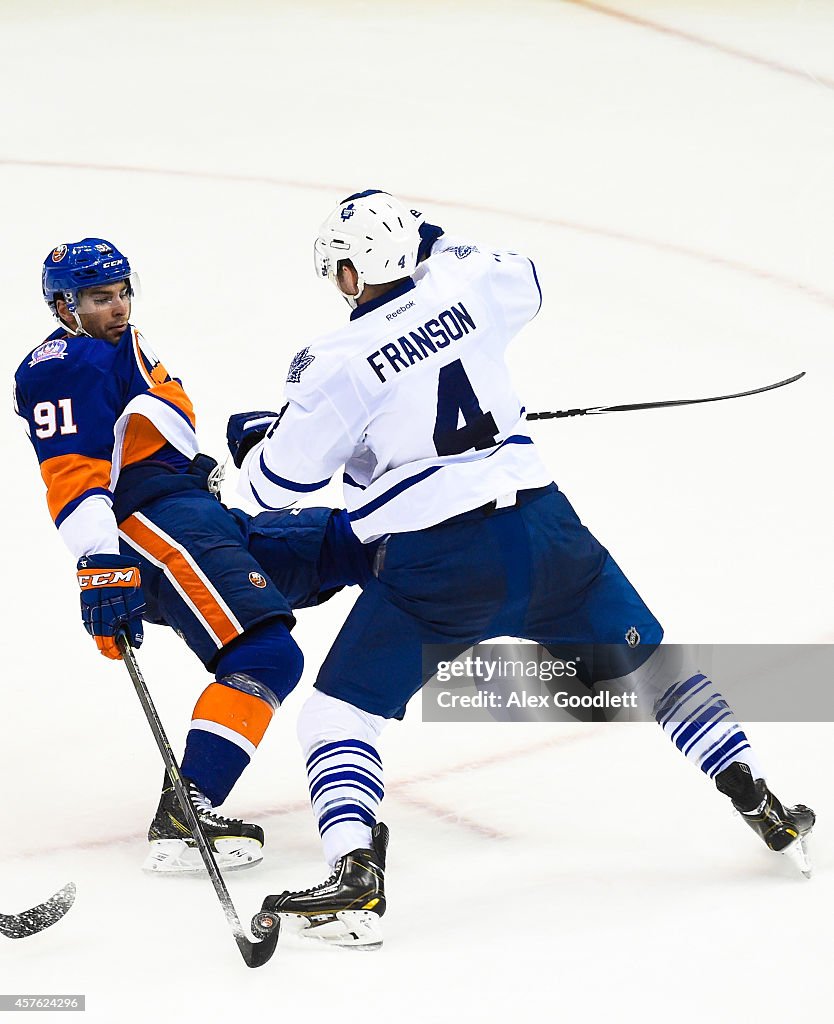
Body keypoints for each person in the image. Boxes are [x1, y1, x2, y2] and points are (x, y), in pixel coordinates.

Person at [230, 191, 815, 948]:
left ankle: (354, 874)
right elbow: (524, 273)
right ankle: (756, 795)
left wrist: (253, 445)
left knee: (338, 714)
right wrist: (427, 241)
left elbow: (278, 488)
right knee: (654, 668)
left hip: (438, 566)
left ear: (347, 275)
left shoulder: (333, 364)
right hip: (547, 535)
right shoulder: (468, 288)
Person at [13, 238, 372, 875]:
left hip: (196, 514)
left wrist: (209, 456)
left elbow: (140, 432)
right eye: (101, 297)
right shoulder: (64, 365)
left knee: (354, 542)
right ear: (63, 306)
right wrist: (101, 562)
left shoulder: (117, 343)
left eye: (124, 291)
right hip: (157, 526)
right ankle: (187, 812)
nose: (119, 306)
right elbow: (72, 474)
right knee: (265, 653)